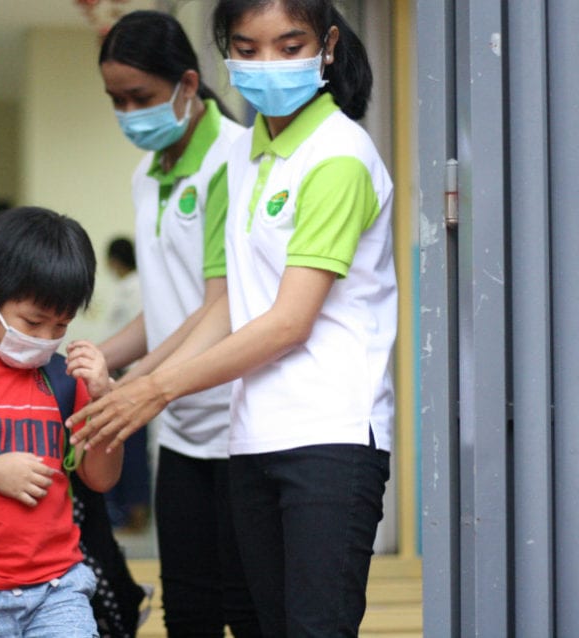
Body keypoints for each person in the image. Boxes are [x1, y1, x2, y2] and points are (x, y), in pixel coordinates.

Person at [70, 1, 397, 634]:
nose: (266, 64)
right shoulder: (250, 156)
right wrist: (132, 377)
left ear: (327, 46)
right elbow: (228, 306)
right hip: (252, 436)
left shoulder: (338, 155)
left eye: (289, 45)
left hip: (328, 438)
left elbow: (286, 323)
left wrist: (154, 387)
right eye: (246, 50)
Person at [0, 207, 151, 637]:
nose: (46, 338)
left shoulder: (64, 380)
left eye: (61, 325)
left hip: (60, 589)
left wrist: (103, 400)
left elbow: (100, 478)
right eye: (33, 322)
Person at [96, 10, 259, 637]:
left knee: (244, 608)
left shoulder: (236, 158)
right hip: (181, 428)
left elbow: (220, 305)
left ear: (188, 85)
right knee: (186, 608)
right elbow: (165, 307)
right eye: (116, 100)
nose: (128, 112)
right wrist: (94, 357)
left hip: (240, 421)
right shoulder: (146, 174)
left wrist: (138, 380)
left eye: (140, 97)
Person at [101, 237, 150, 532]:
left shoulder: (136, 288)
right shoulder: (125, 288)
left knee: (132, 450)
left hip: (133, 376)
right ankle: (125, 511)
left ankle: (137, 514)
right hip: (119, 372)